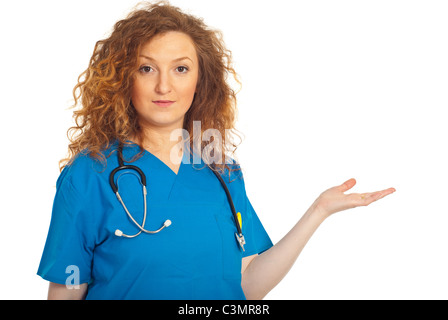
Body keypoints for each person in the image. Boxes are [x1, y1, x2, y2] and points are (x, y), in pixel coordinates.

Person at [37, 1, 395, 300]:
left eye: (180, 68)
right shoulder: (88, 175)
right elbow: (68, 288)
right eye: (146, 68)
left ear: (199, 80)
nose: (164, 85)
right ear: (122, 79)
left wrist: (319, 211)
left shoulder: (220, 171)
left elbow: (248, 284)